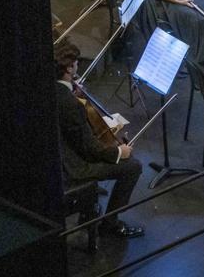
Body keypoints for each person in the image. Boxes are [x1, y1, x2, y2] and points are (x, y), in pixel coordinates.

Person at [54, 38, 145, 239]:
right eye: (76, 63)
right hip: (73, 168)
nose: (78, 67)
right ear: (69, 69)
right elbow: (89, 149)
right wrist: (120, 152)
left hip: (60, 155)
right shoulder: (70, 104)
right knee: (133, 166)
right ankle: (110, 223)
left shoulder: (53, 91)